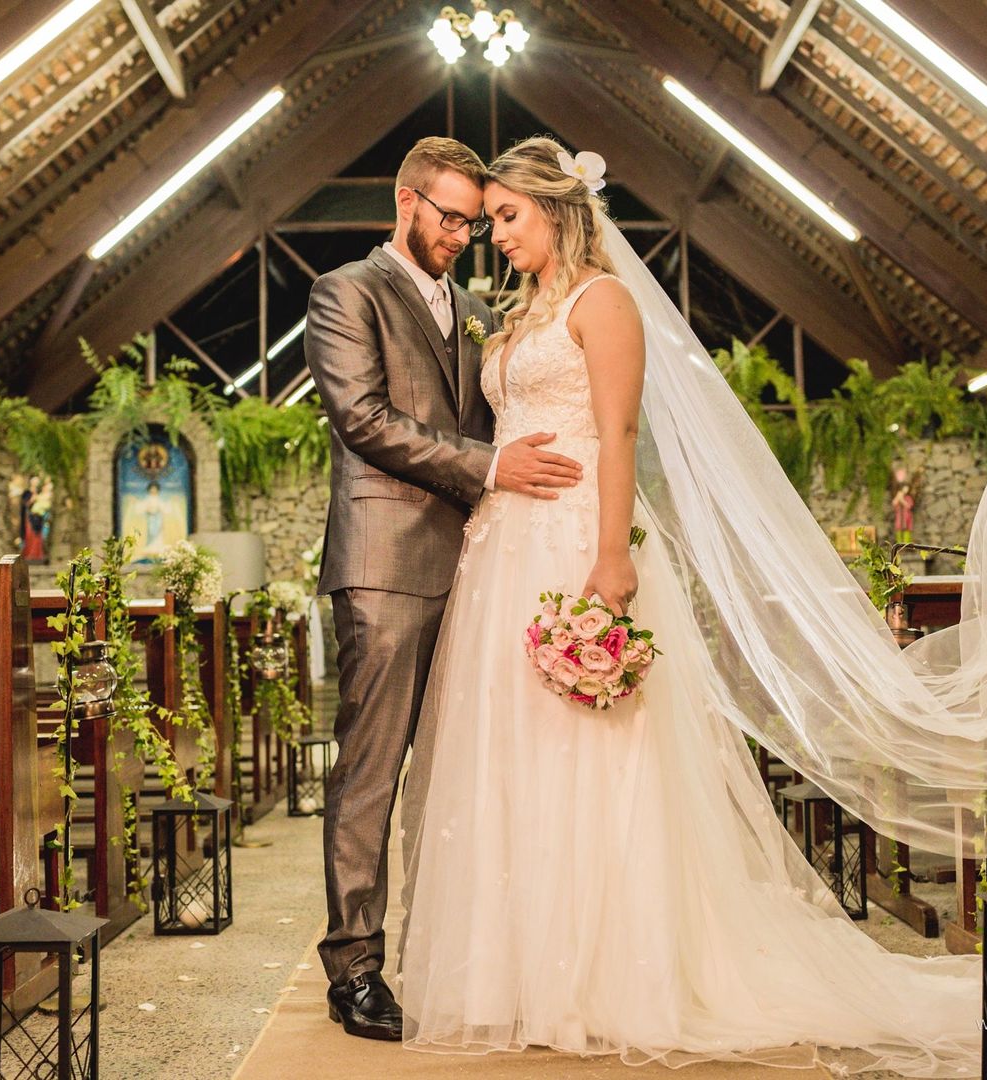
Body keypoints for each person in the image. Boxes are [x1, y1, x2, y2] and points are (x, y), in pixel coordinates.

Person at [396, 136, 987, 1071]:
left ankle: (598, 971)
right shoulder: (513, 317)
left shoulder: (605, 303)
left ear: (558, 209)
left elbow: (621, 432)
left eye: (507, 217)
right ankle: (517, 967)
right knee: (511, 752)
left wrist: (607, 557)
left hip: (574, 540)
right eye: (487, 219)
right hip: (502, 547)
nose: (492, 236)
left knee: (589, 756)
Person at [304, 136, 588, 1042]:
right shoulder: (345, 291)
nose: (464, 234)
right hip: (385, 566)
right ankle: (352, 969)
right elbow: (365, 420)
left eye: (476, 220)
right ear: (405, 201)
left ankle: (461, 952)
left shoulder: (469, 308)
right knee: (371, 772)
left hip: (478, 564)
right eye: (451, 216)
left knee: (469, 772)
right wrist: (492, 465)